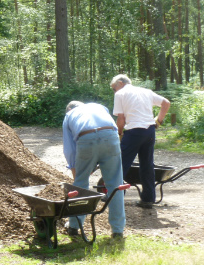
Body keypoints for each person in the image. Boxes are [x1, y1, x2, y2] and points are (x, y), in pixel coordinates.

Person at [62, 101, 125, 238]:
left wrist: (77, 174)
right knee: (116, 184)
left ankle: (74, 226)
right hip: (111, 136)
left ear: (70, 109)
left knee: (80, 185)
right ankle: (118, 230)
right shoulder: (99, 107)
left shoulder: (69, 115)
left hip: (86, 138)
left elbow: (69, 150)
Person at [110, 74, 170, 209]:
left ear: (120, 83)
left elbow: (121, 119)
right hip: (149, 131)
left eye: (114, 88)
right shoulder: (145, 91)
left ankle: (114, 197)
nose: (115, 91)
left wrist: (119, 133)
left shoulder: (120, 94)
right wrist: (158, 121)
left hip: (133, 132)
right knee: (147, 164)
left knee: (121, 163)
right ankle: (148, 199)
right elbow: (166, 103)